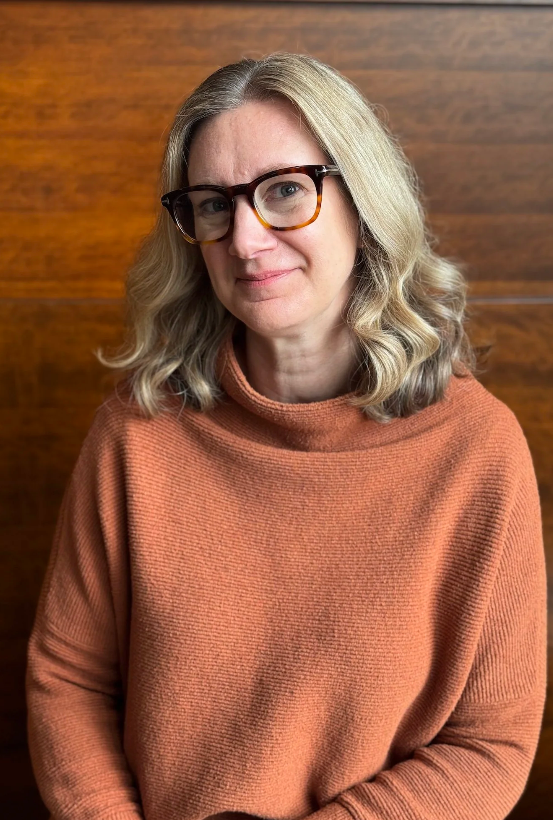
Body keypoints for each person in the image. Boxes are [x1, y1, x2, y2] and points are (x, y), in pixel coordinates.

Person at [26, 53, 547, 820]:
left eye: (283, 192)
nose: (245, 238)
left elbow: (489, 743)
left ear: (361, 197)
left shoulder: (476, 451)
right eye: (211, 204)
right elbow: (67, 682)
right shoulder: (138, 433)